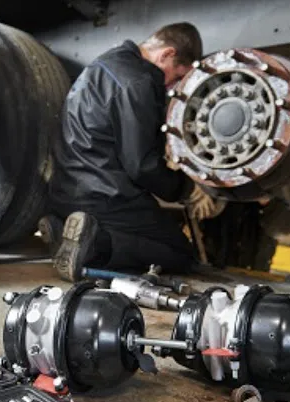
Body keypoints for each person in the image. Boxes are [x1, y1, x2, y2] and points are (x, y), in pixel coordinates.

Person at [39, 22, 209, 282]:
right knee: (181, 253)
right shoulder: (139, 81)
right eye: (176, 77)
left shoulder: (104, 64)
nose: (171, 87)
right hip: (103, 196)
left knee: (152, 229)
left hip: (66, 189)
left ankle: (65, 228)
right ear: (166, 54)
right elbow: (142, 166)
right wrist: (185, 189)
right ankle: (96, 244)